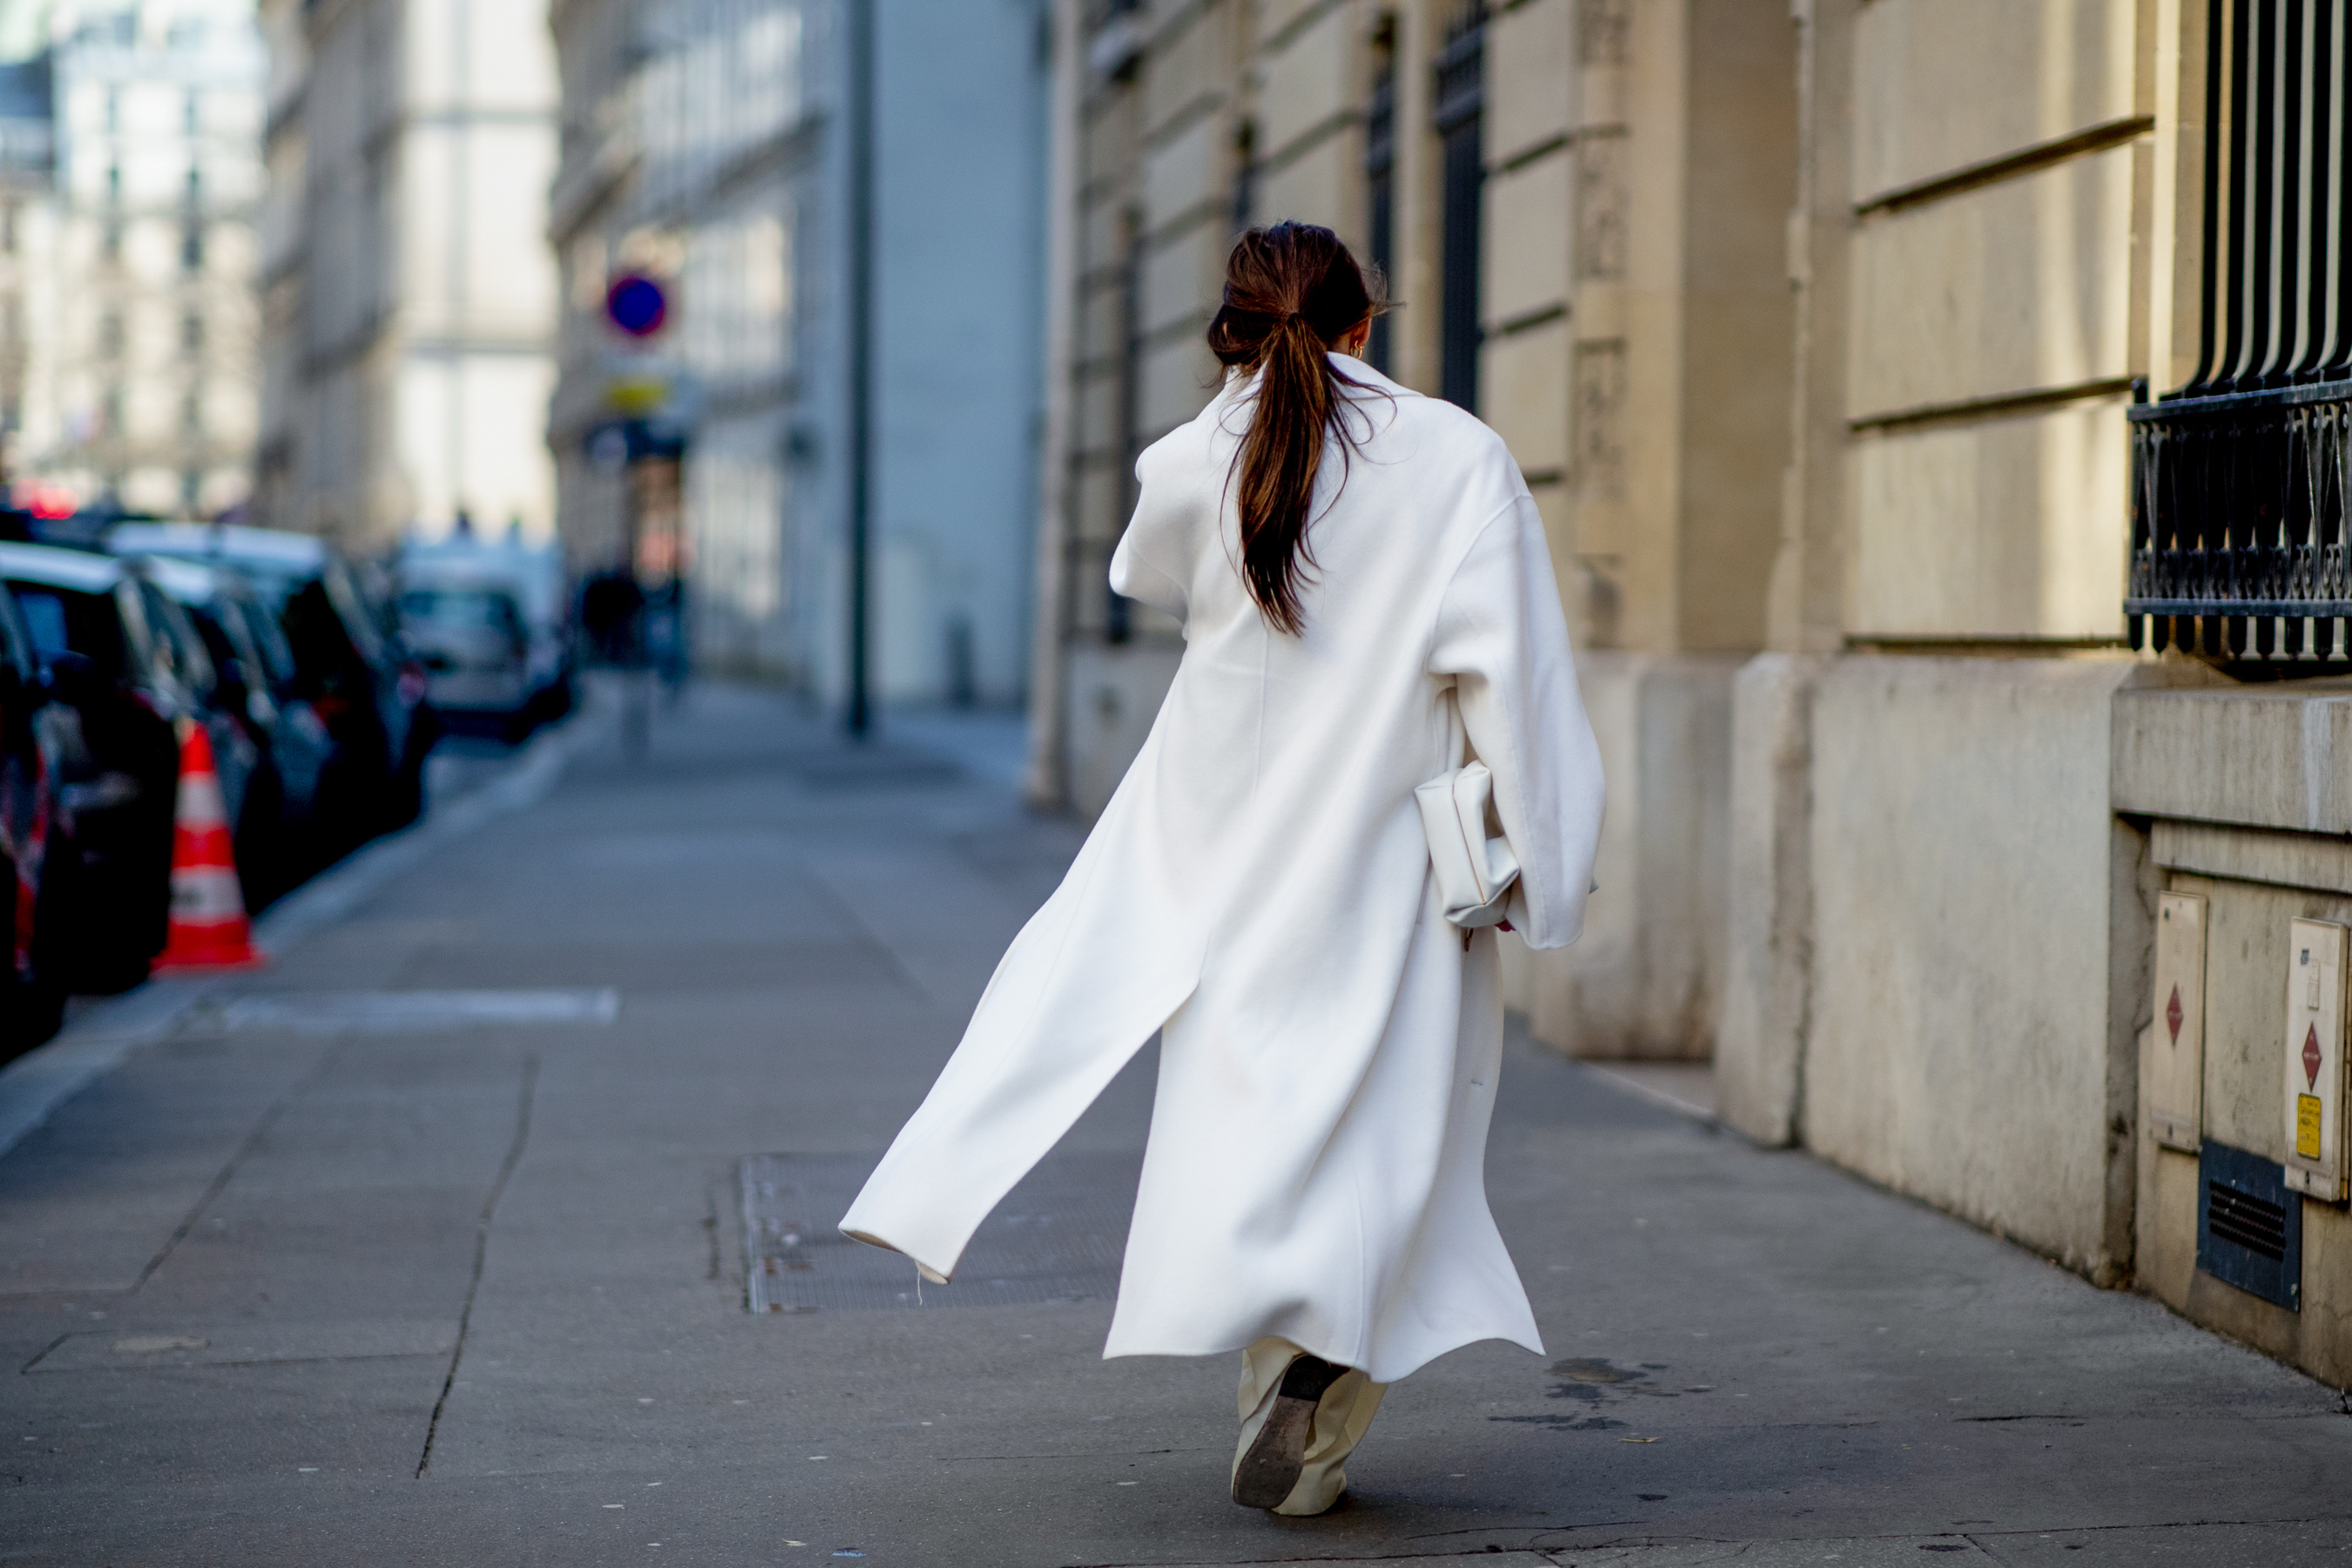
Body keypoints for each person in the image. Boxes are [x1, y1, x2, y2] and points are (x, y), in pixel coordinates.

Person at [841, 221, 1605, 1516]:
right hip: (1382, 854)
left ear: (1235, 333)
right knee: (1390, 1137)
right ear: (1365, 325)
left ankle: (1286, 1402)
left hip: (1216, 843)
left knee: (1252, 1120)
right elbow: (1514, 682)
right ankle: (1313, 1392)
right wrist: (1548, 864)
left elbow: (1139, 571)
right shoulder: (1457, 458)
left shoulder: (1198, 459)